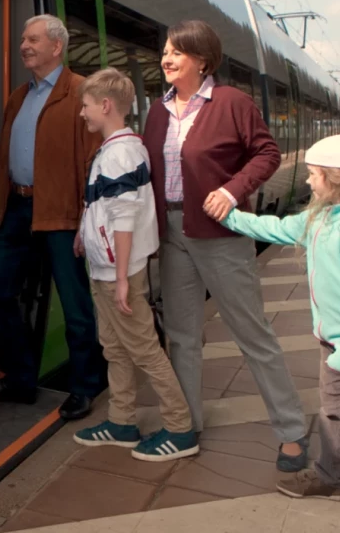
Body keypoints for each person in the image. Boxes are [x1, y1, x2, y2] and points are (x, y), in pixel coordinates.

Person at [206, 134, 340, 527]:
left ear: (336, 179)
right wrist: (229, 215)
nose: (307, 181)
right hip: (334, 342)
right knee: (334, 414)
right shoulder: (319, 219)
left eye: (314, 175)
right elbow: (276, 227)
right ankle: (331, 478)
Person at [142, 20, 308, 471]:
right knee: (181, 335)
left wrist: (232, 191)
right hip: (172, 233)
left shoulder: (231, 102)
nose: (166, 59)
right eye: (164, 53)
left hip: (220, 233)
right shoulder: (157, 111)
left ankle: (292, 430)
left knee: (252, 333)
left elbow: (266, 153)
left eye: (175, 52)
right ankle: (184, 425)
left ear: (201, 59)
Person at [0, 14, 105, 420]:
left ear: (56, 46)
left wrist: (88, 216)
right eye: (23, 41)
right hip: (18, 208)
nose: (24, 46)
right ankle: (19, 378)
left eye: (32, 40)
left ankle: (85, 387)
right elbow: (1, 158)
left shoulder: (81, 91)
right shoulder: (19, 96)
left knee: (75, 304)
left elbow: (93, 161)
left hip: (64, 214)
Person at [71, 68, 198, 461]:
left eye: (86, 106)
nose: (82, 114)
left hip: (116, 271)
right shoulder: (115, 149)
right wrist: (82, 233)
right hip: (106, 268)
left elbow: (124, 217)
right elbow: (102, 206)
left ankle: (180, 428)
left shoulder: (121, 152)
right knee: (115, 348)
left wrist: (123, 277)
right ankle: (121, 421)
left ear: (106, 105)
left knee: (143, 349)